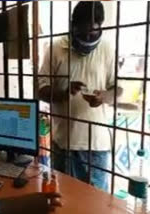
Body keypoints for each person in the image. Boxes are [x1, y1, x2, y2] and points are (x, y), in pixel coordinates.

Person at [39, 1, 122, 192]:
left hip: (97, 147)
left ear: (101, 27)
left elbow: (118, 89)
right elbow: (41, 91)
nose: (87, 38)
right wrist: (64, 92)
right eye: (82, 33)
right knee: (62, 201)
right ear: (72, 27)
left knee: (96, 205)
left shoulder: (108, 49)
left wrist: (105, 96)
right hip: (63, 143)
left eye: (93, 33)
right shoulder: (55, 49)